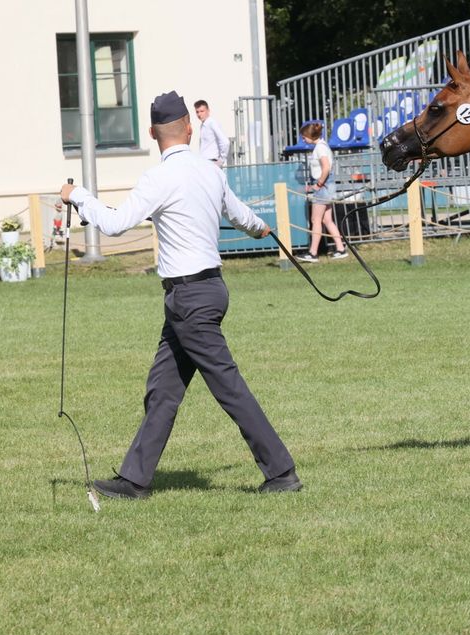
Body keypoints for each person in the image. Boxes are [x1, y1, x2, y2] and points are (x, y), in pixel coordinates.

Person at [59, 90, 302, 499]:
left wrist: (78, 196)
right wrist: (262, 227)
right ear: (189, 126)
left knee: (228, 387)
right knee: (163, 390)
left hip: (188, 298)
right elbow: (239, 213)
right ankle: (134, 480)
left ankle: (281, 472)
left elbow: (117, 224)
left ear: (152, 133)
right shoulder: (210, 170)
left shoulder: (160, 177)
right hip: (206, 292)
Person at [296, 121, 347, 261]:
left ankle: (313, 253)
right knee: (327, 220)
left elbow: (325, 168)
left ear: (310, 135)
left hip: (324, 186)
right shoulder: (322, 146)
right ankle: (341, 249)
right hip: (327, 186)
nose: (303, 139)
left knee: (315, 220)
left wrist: (318, 185)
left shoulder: (320, 148)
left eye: (304, 136)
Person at [194, 99, 230, 168]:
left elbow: (225, 142)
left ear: (208, 111)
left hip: (211, 162)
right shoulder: (203, 125)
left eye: (202, 111)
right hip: (205, 163)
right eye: (197, 112)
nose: (199, 114)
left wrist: (221, 160)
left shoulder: (212, 123)